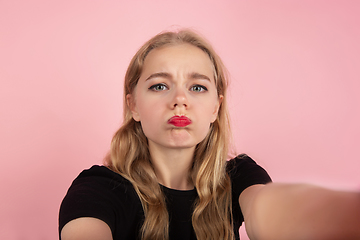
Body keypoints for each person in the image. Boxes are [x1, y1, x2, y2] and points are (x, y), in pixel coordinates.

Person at [59, 29, 360, 240]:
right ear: (133, 105)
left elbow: (270, 213)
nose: (180, 100)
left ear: (216, 109)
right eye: (159, 86)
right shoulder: (98, 188)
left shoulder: (239, 176)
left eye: (198, 87)